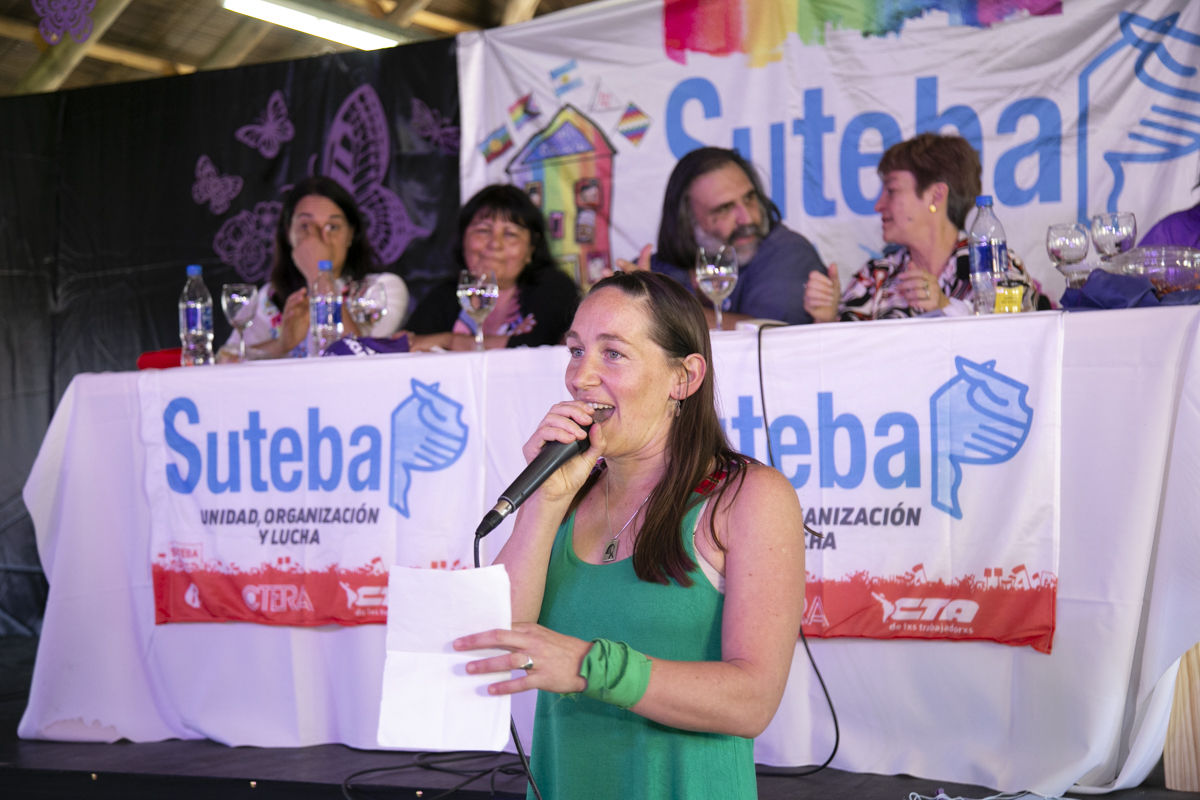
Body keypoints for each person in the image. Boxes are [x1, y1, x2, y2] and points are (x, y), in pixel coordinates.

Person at [453, 272, 806, 799]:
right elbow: (494, 641)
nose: (581, 377)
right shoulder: (566, 493)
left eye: (613, 354)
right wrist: (544, 502)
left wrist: (586, 665)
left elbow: (752, 702)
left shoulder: (749, 496)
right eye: (576, 350)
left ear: (683, 378)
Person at [804, 133, 1049, 322]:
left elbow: (1017, 338)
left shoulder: (995, 264)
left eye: (891, 190)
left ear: (936, 196)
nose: (878, 205)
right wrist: (826, 319)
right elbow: (840, 360)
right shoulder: (875, 277)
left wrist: (945, 306)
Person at [619, 147, 826, 328]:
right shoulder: (656, 270)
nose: (747, 219)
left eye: (749, 198)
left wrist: (660, 310)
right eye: (725, 208)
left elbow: (766, 333)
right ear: (688, 222)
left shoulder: (789, 253)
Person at [219, 176, 408, 359]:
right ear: (288, 233)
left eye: (332, 227)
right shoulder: (269, 298)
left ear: (351, 233)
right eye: (306, 226)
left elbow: (364, 357)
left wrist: (319, 274)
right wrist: (282, 345)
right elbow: (226, 358)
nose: (318, 238)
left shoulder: (380, 290)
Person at [404, 185, 580, 350]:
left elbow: (537, 346)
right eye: (483, 231)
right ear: (462, 238)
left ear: (531, 248)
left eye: (510, 234)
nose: (495, 244)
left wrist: (449, 341)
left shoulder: (553, 287)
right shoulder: (446, 294)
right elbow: (409, 344)